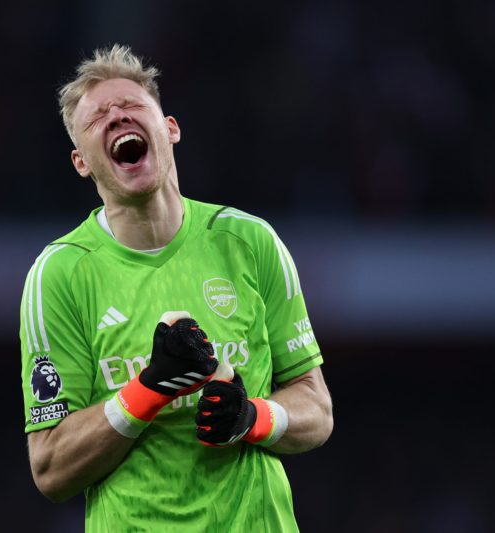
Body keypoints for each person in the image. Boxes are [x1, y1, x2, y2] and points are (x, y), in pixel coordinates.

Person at [21, 44, 333, 532]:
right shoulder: (60, 274)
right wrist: (148, 390)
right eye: (98, 116)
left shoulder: (249, 242)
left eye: (131, 106)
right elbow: (51, 467)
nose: (117, 116)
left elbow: (316, 409)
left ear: (170, 128)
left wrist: (252, 417)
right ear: (82, 162)